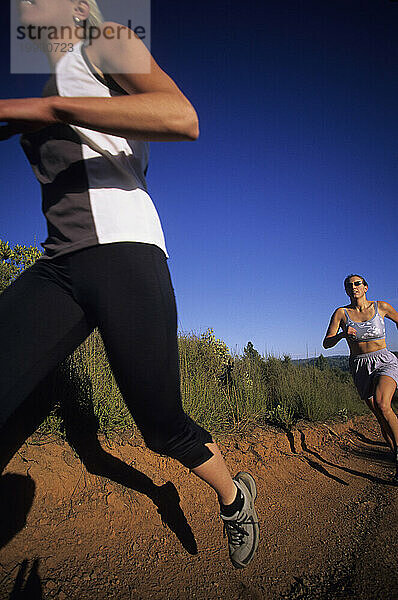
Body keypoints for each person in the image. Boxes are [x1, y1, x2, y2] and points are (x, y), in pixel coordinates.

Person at [0, 0, 259, 568]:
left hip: (124, 253)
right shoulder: (53, 78)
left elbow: (181, 117)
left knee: (161, 426)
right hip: (58, 262)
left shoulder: (105, 40)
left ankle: (234, 495)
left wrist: (46, 108)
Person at [323, 274, 398, 479]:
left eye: (357, 283)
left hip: (384, 361)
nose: (353, 287)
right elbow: (326, 343)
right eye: (349, 285)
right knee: (380, 417)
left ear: (365, 287)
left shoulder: (381, 307)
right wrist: (342, 334)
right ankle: (395, 456)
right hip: (359, 365)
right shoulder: (341, 313)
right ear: (346, 290)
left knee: (384, 404)